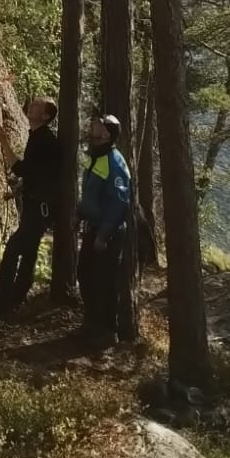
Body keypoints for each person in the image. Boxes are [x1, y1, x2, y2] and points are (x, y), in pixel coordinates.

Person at [0, 97, 61, 322]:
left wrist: (4, 143)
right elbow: (37, 174)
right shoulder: (38, 137)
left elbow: (23, 168)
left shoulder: (44, 140)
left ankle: (0, 306)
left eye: (37, 106)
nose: (31, 107)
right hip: (36, 206)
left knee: (12, 252)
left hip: (39, 209)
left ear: (45, 116)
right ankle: (17, 299)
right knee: (28, 253)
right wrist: (16, 191)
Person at [76, 111, 131, 348]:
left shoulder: (115, 162)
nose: (93, 126)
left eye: (99, 125)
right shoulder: (95, 156)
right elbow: (89, 191)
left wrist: (103, 235)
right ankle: (91, 323)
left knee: (106, 282)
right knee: (85, 275)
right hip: (93, 228)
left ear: (107, 134)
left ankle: (108, 332)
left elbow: (120, 203)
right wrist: (79, 215)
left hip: (108, 234)